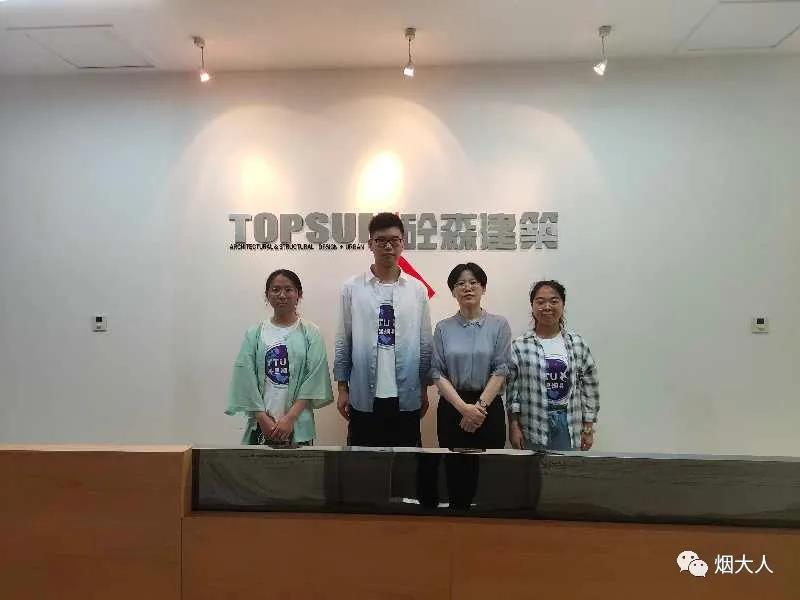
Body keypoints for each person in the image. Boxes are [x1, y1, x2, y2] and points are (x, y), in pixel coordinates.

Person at [334, 212, 433, 447]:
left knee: (407, 463)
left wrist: (423, 388)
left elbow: (425, 343)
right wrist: (342, 388)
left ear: (402, 243)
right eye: (380, 240)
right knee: (363, 462)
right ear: (370, 244)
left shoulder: (417, 290)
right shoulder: (352, 288)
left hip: (406, 394)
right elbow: (344, 340)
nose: (388, 246)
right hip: (363, 395)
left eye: (394, 240)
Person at [226, 269, 333, 446]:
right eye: (275, 290)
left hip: (297, 423)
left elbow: (314, 378)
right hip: (262, 424)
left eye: (288, 289)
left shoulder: (311, 333)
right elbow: (245, 377)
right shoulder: (255, 333)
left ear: (299, 294)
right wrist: (261, 417)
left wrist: (290, 418)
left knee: (300, 465)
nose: (282, 295)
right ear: (267, 295)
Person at [507, 280, 599, 451]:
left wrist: (588, 427)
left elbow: (590, 388)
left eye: (554, 301)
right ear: (532, 306)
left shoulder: (577, 343)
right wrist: (514, 426)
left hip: (569, 422)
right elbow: (513, 392)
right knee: (534, 468)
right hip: (532, 423)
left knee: (565, 468)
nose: (547, 307)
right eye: (540, 302)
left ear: (563, 305)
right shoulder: (520, 345)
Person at [431, 262, 511, 449]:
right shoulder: (443, 328)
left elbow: (501, 369)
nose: (467, 287)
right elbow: (437, 371)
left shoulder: (499, 325)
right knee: (454, 465)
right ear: (453, 292)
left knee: (491, 465)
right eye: (460, 284)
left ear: (483, 288)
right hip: (453, 407)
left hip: (488, 407)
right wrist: (463, 408)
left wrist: (478, 409)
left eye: (473, 282)